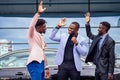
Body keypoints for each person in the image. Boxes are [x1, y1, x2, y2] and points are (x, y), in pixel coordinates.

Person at [85, 12, 115, 80]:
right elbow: (89, 34)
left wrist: (110, 72)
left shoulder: (110, 41)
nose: (98, 29)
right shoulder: (97, 37)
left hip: (105, 70)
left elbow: (111, 58)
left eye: (100, 28)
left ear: (104, 29)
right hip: (97, 67)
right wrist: (87, 23)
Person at [26, 1, 50, 80]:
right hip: (34, 63)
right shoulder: (32, 35)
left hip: (41, 63)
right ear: (39, 27)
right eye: (44, 26)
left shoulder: (41, 37)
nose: (46, 28)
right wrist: (38, 13)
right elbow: (31, 26)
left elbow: (42, 53)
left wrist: (46, 67)